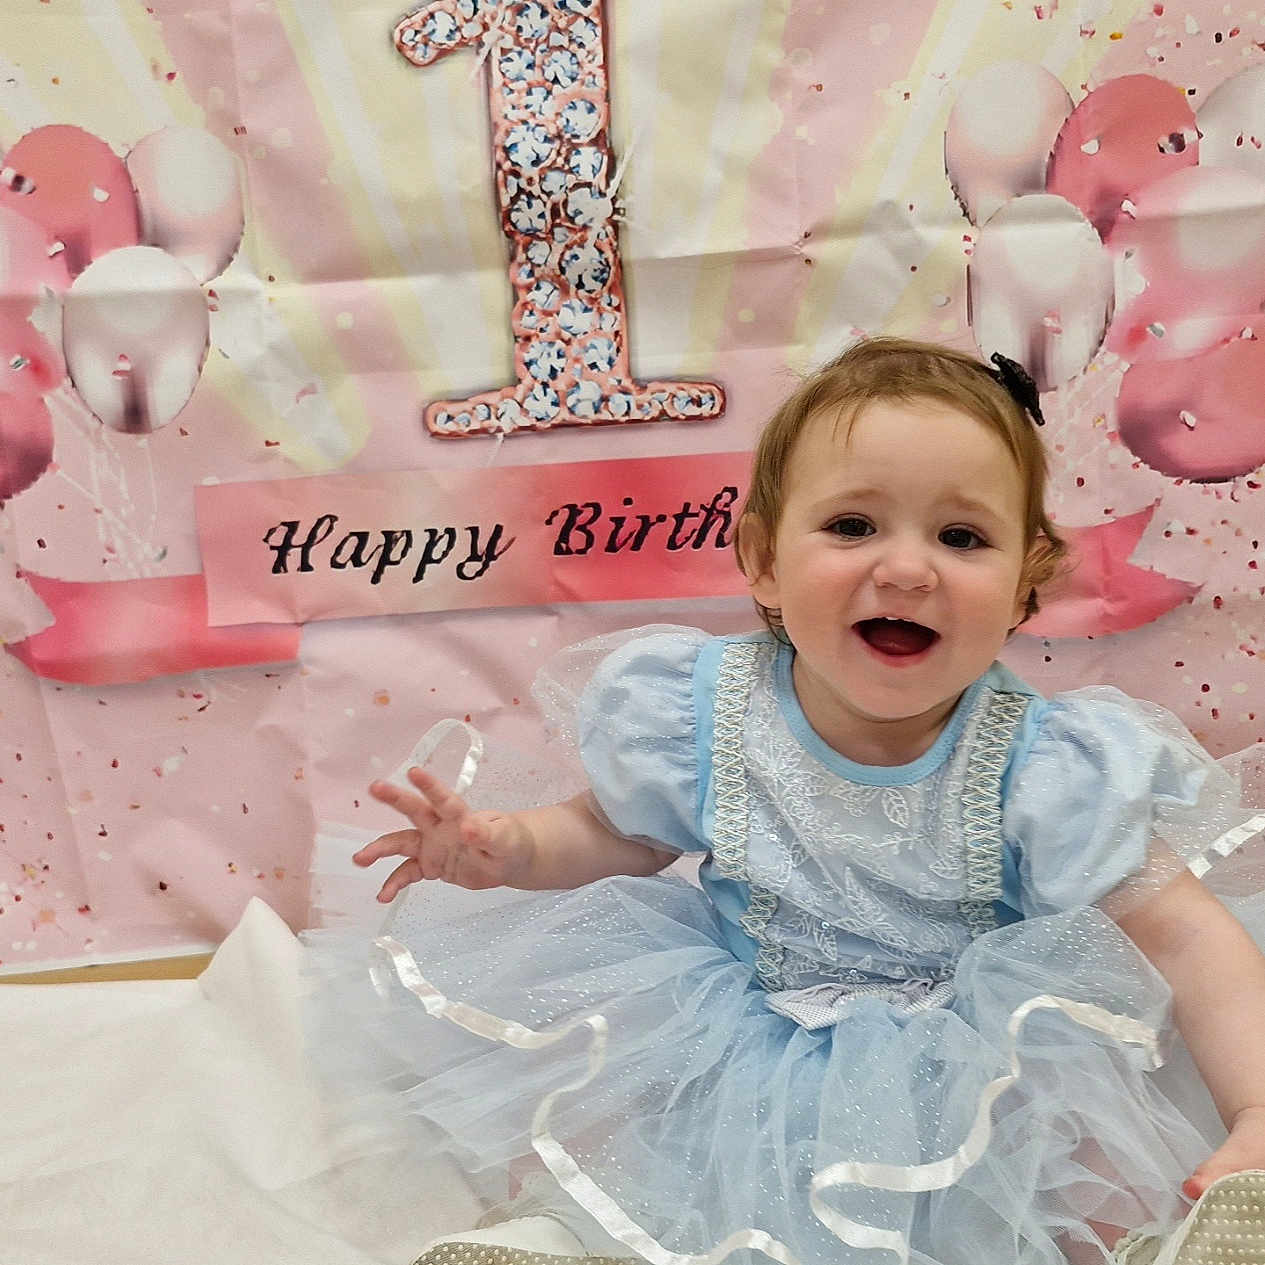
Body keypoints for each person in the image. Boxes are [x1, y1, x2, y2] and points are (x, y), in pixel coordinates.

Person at [304, 337, 1265, 1265]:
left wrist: (1256, 1110)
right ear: (761, 559)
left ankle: (1155, 1240)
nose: (905, 567)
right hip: (747, 1020)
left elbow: (1183, 934)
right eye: (852, 525)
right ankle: (571, 1236)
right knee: (645, 1124)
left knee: (1057, 1153)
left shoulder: (1046, 765)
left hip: (962, 1054)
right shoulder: (701, 710)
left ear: (1025, 583)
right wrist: (507, 848)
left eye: (962, 536)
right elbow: (611, 834)